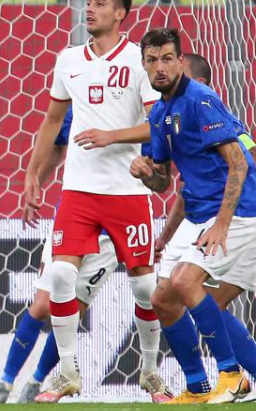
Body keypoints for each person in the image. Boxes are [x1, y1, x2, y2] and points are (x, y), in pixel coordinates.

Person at [23, 0, 169, 403]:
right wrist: (33, 173)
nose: (89, 9)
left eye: (100, 3)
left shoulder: (139, 62)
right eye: (87, 2)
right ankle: (68, 373)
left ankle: (150, 372)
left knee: (144, 288)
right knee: (61, 275)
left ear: (121, 14)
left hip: (127, 192)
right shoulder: (68, 59)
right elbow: (52, 122)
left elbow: (155, 124)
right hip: (79, 191)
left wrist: (112, 136)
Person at [135, 36, 256, 403]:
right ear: (144, 64)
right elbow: (166, 182)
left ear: (180, 61)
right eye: (152, 60)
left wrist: (220, 224)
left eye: (167, 59)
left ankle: (233, 377)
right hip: (202, 215)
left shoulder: (201, 100)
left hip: (239, 213)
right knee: (164, 299)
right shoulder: (158, 114)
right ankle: (198, 385)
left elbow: (240, 162)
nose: (160, 67)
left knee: (187, 283)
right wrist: (145, 174)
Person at [0, 108, 124, 404]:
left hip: (112, 228)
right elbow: (57, 148)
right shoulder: (80, 101)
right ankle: (5, 384)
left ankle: (37, 381)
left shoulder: (135, 105)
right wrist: (35, 185)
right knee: (43, 304)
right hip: (73, 217)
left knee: (72, 311)